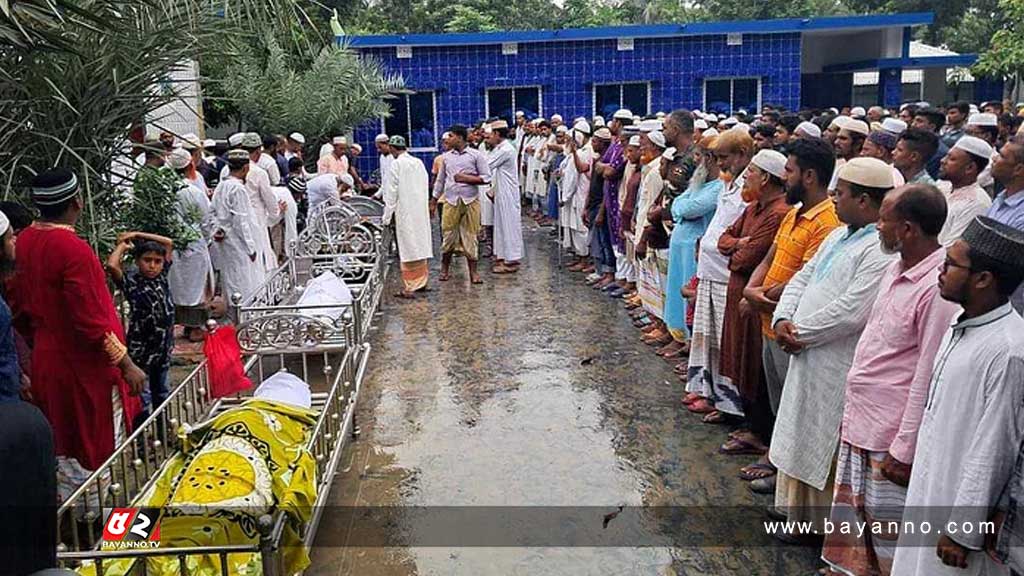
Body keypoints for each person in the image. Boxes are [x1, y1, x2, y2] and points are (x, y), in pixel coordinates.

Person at [821, 184, 958, 576]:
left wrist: (905, 445)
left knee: (888, 535)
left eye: (884, 219)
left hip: (891, 433)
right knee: (856, 517)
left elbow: (927, 372)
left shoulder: (937, 289)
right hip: (863, 419)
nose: (878, 227)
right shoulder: (894, 267)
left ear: (908, 229)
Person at [769, 157, 896, 537]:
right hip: (805, 350)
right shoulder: (838, 235)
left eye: (839, 194)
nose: (832, 200)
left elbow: (852, 311)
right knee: (798, 430)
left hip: (834, 358)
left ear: (864, 201)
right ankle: (795, 516)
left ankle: (822, 528)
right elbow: (800, 278)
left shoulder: (879, 248)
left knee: (823, 439)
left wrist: (799, 331)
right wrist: (782, 319)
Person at [892, 216, 1024, 575]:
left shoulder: (1009, 350)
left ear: (983, 279)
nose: (941, 270)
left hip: (957, 512)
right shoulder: (959, 323)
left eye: (950, 265)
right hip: (930, 488)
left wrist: (964, 527)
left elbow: (995, 448)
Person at [12, 168, 145, 501]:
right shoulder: (73, 249)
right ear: (77, 202)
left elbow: (20, 307)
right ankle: (104, 528)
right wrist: (126, 364)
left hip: (46, 357)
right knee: (96, 443)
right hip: (86, 367)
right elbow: (90, 321)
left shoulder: (23, 241)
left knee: (64, 439)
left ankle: (76, 515)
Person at [736, 137, 841, 493]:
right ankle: (778, 462)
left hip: (789, 326)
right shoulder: (794, 213)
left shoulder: (827, 221)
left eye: (790, 170)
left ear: (809, 176)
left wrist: (759, 295)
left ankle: (786, 476)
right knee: (779, 401)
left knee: (794, 407)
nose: (785, 177)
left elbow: (805, 277)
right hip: (769, 320)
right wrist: (753, 288)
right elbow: (770, 258)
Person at [714, 149, 791, 457]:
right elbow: (724, 240)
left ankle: (759, 432)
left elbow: (746, 258)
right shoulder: (753, 209)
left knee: (755, 366)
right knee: (739, 358)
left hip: (752, 299)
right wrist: (736, 246)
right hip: (738, 294)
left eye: (751, 174)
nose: (745, 178)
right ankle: (749, 425)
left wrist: (736, 249)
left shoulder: (777, 213)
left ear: (768, 179)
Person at [685, 127, 753, 418]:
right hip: (711, 271)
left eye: (724, 157)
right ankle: (709, 393)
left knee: (726, 343)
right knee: (709, 339)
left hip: (728, 275)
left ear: (743, 154)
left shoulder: (751, 187)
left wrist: (726, 245)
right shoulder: (728, 183)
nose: (720, 164)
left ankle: (728, 405)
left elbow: (743, 234)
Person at [105, 231, 175, 421]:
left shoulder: (162, 278)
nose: (152, 265)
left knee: (162, 393)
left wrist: (137, 234)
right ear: (137, 261)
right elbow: (112, 265)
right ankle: (141, 441)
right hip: (141, 352)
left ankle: (164, 432)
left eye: (157, 261)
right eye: (147, 260)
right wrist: (123, 245)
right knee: (142, 399)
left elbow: (168, 242)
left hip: (162, 349)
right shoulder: (132, 282)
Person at [661, 136, 720, 358]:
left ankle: (691, 347)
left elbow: (690, 209)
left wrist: (681, 208)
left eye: (699, 156)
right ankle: (679, 338)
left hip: (695, 251)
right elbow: (678, 204)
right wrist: (681, 208)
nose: (695, 161)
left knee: (692, 300)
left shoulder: (718, 187)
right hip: (680, 246)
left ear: (709, 158)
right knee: (676, 292)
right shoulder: (699, 182)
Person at [164, 148, 215, 341]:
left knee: (179, 285)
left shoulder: (165, 190)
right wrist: (207, 239)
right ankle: (194, 327)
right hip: (193, 242)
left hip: (173, 244)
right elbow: (205, 219)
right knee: (196, 287)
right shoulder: (193, 192)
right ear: (190, 165)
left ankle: (185, 324)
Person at [431, 125, 491, 284]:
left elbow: (486, 177)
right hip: (450, 200)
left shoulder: (476, 155)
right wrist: (433, 200)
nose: (447, 139)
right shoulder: (446, 157)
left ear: (459, 137)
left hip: (470, 200)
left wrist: (466, 179)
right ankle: (445, 268)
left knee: (471, 235)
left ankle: (473, 273)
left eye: (450, 136)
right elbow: (440, 180)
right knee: (448, 235)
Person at [382, 136, 433, 298]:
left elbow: (391, 193)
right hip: (419, 210)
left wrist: (387, 216)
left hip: (404, 210)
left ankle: (411, 286)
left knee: (408, 247)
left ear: (392, 148)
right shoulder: (418, 162)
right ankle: (422, 282)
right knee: (419, 244)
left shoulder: (396, 164)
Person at [211, 150, 260, 302]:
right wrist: (250, 247)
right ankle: (243, 315)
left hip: (226, 241)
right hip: (238, 243)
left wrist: (217, 229)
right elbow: (240, 221)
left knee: (231, 279)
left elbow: (212, 212)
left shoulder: (221, 186)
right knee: (243, 281)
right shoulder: (237, 189)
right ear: (245, 168)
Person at [937, 135, 993, 246]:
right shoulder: (942, 186)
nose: (943, 161)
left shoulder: (977, 203)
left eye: (951, 159)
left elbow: (951, 249)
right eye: (946, 156)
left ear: (970, 168)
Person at [487, 120, 524, 274]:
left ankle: (512, 260)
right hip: (501, 191)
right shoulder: (499, 148)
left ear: (497, 134)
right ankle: (503, 256)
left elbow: (487, 165)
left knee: (509, 225)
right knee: (501, 225)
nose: (488, 138)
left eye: (490, 135)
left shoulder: (506, 150)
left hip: (508, 193)